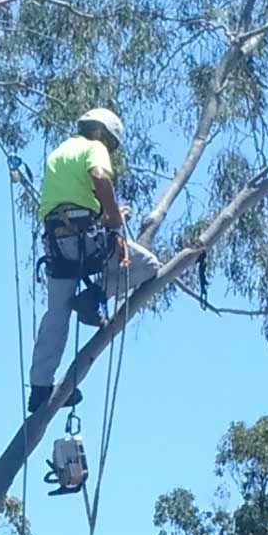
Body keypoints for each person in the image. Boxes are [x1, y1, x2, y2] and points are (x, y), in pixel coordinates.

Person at [27, 108, 160, 413]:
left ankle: (39, 389)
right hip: (87, 240)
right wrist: (113, 218)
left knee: (56, 313)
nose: (109, 150)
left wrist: (103, 213)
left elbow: (70, 200)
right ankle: (93, 297)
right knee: (149, 265)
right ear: (102, 134)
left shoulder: (59, 153)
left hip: (57, 245)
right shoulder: (93, 147)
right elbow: (99, 177)